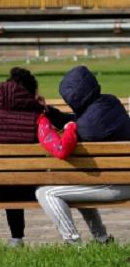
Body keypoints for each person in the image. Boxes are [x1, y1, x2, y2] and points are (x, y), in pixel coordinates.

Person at [0, 67, 77, 247]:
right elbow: (60, 150)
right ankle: (75, 237)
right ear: (31, 94)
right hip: (26, 188)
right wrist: (70, 127)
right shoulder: (37, 118)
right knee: (19, 177)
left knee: (6, 176)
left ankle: (16, 239)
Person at [36, 65, 130, 245]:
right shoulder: (111, 102)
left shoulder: (86, 127)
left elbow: (69, 138)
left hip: (116, 186)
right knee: (79, 183)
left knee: (46, 192)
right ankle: (102, 239)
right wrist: (48, 110)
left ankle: (73, 244)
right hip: (125, 178)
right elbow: (78, 121)